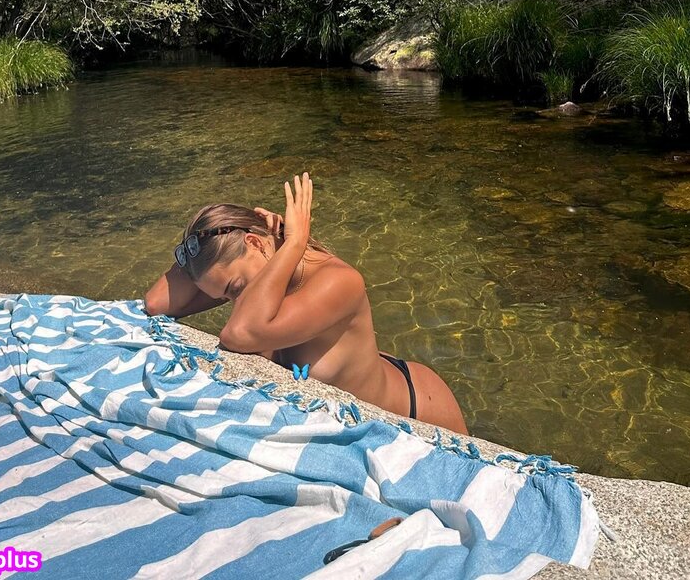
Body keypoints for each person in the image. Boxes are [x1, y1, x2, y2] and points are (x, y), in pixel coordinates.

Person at [144, 172, 468, 434]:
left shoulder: (338, 281)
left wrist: (293, 243)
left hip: (418, 406)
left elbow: (238, 334)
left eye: (236, 288)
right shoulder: (257, 285)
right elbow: (157, 303)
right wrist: (199, 243)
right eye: (224, 297)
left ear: (255, 242)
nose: (235, 301)